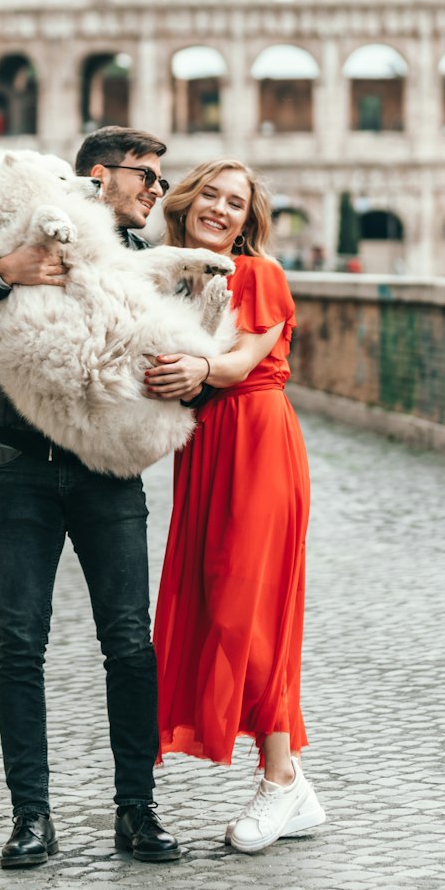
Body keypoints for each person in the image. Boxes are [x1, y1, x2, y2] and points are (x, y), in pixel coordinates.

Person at [0, 126, 206, 868]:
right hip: (21, 466)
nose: (155, 190)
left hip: (108, 479)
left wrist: (196, 378)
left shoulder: (147, 264)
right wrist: (7, 272)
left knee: (127, 643)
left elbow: (185, 367)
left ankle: (137, 811)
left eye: (158, 177)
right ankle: (30, 818)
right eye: (144, 176)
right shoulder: (25, 236)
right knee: (19, 644)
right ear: (97, 176)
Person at [144, 159, 326, 854]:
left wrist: (200, 370)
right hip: (206, 448)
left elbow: (244, 360)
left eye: (235, 203)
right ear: (187, 205)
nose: (220, 209)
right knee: (217, 600)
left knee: (245, 612)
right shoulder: (173, 279)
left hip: (256, 441)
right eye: (210, 196)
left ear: (248, 220)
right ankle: (292, 784)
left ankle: (280, 781)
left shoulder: (258, 275)